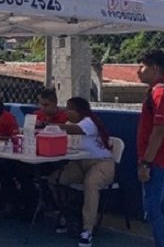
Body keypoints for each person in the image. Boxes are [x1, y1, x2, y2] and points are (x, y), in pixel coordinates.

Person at [50, 97, 115, 247]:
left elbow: (75, 130)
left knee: (90, 184)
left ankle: (87, 230)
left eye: (70, 109)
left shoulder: (88, 121)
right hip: (80, 162)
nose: (67, 112)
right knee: (56, 180)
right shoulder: (69, 123)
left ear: (80, 111)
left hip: (102, 163)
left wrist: (51, 125)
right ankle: (67, 216)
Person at [136, 49, 164, 247]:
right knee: (162, 207)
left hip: (158, 161)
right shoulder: (158, 92)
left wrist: (146, 162)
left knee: (153, 209)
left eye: (142, 66)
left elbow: (158, 131)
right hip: (162, 159)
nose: (138, 71)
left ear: (155, 68)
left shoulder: (160, 94)